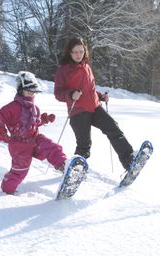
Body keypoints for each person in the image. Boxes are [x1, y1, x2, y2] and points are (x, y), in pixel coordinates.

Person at [54, 37, 135, 171]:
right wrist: (70, 94)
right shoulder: (63, 70)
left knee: (114, 129)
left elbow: (89, 89)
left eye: (81, 51)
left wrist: (100, 96)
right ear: (69, 52)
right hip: (78, 112)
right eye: (75, 52)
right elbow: (58, 93)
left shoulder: (86, 67)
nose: (78, 55)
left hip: (95, 108)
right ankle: (75, 172)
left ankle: (130, 161)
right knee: (84, 146)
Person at [0, 71, 67, 195]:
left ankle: (65, 166)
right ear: (20, 90)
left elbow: (34, 123)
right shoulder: (13, 107)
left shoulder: (34, 108)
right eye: (28, 91)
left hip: (34, 139)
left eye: (33, 91)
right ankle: (6, 190)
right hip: (19, 145)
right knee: (20, 171)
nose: (31, 94)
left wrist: (45, 119)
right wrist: (2, 133)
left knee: (51, 147)